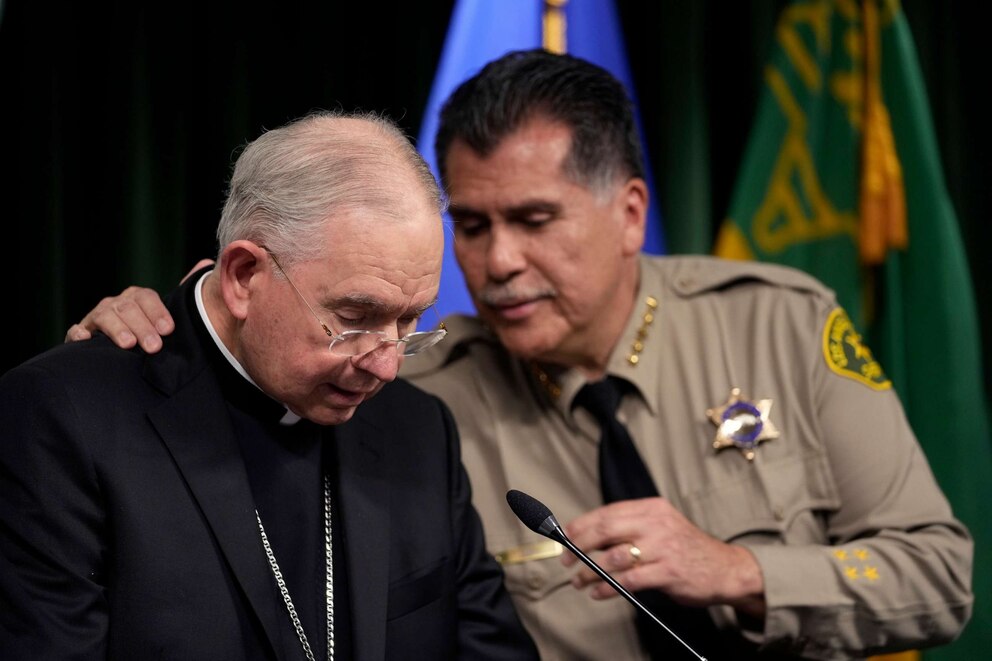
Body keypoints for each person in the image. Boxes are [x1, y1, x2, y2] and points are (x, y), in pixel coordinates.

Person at [64, 51, 973, 660]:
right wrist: (163, 324)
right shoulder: (408, 383)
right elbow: (262, 354)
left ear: (628, 212)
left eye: (534, 221)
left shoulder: (778, 323)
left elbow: (943, 574)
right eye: (471, 224)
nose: (496, 263)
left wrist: (738, 570)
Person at [0, 111, 539, 660]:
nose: (386, 367)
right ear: (243, 276)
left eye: (409, 323)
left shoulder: (419, 427)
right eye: (355, 317)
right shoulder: (65, 419)